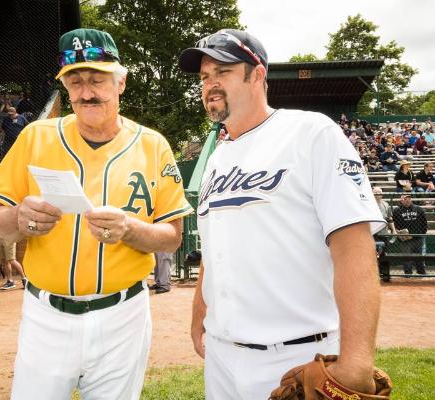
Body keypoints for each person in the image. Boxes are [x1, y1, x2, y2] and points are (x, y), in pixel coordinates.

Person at [0, 28, 192, 399]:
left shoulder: (153, 145)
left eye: (97, 78)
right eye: (75, 81)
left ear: (121, 81)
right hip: (46, 314)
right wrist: (19, 219)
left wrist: (129, 229)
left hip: (123, 315)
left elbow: (172, 237)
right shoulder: (36, 137)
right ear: (65, 87)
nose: (87, 91)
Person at [178, 29, 385, 398]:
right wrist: (199, 311)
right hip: (222, 357)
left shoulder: (311, 133)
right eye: (204, 76)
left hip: (297, 355)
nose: (209, 84)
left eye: (222, 72)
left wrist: (355, 363)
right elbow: (214, 248)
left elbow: (353, 248)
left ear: (257, 74)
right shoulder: (217, 158)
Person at [393, 194, 427, 275]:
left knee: (419, 256)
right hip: (405, 239)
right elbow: (394, 223)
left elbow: (424, 223)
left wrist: (421, 233)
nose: (407, 200)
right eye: (405, 198)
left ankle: (421, 272)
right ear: (401, 200)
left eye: (409, 198)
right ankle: (408, 273)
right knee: (406, 257)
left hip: (418, 237)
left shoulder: (419, 209)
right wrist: (397, 231)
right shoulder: (397, 210)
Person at [372, 187, 397, 282]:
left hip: (383, 233)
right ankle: (373, 275)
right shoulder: (368, 204)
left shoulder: (386, 204)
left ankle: (386, 275)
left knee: (384, 255)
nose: (378, 194)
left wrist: (393, 230)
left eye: (379, 193)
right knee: (371, 255)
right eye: (376, 193)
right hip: (372, 233)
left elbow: (390, 218)